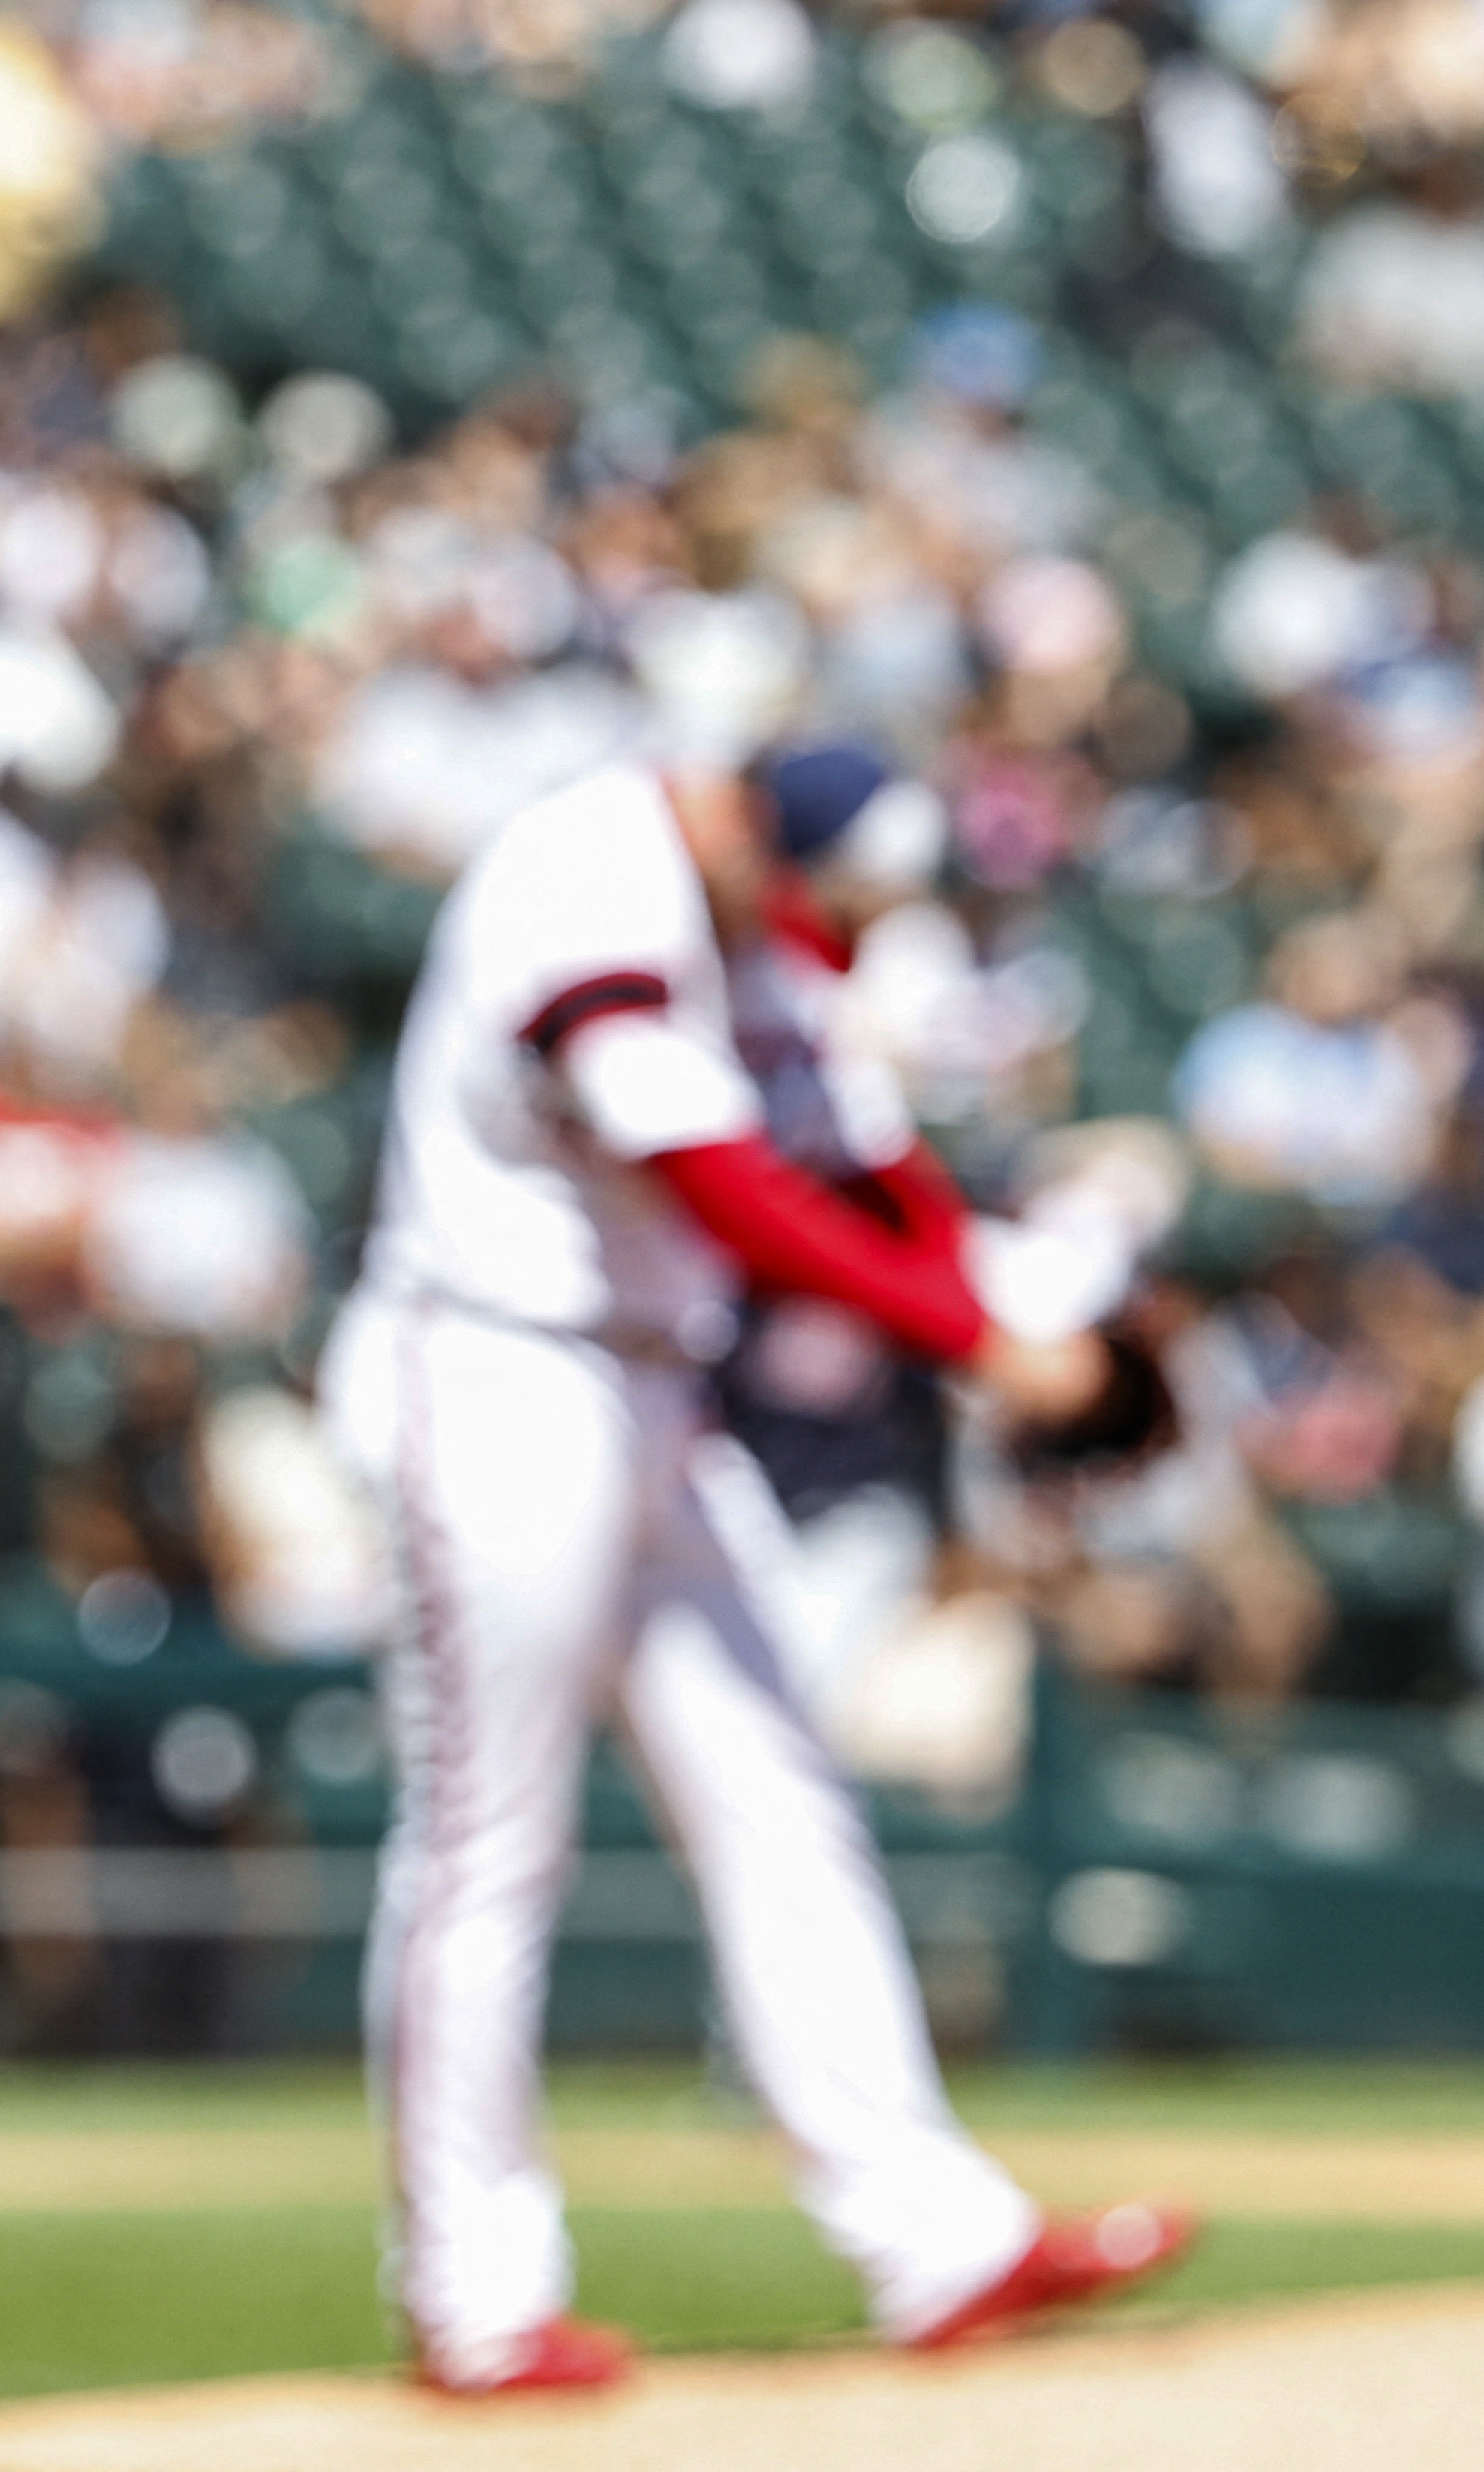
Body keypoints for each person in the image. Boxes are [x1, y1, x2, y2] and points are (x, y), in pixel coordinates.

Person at [316, 745, 1192, 2395]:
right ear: (738, 820)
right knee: (487, 1837)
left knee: (781, 1797)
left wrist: (1010, 1325)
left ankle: (934, 2239)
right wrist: (971, 1346)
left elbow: (866, 1169)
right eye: (814, 884)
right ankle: (473, 2293)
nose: (819, 923)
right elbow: (709, 1178)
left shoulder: (745, 925)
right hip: (492, 1365)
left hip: (648, 1387)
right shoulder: (594, 864)